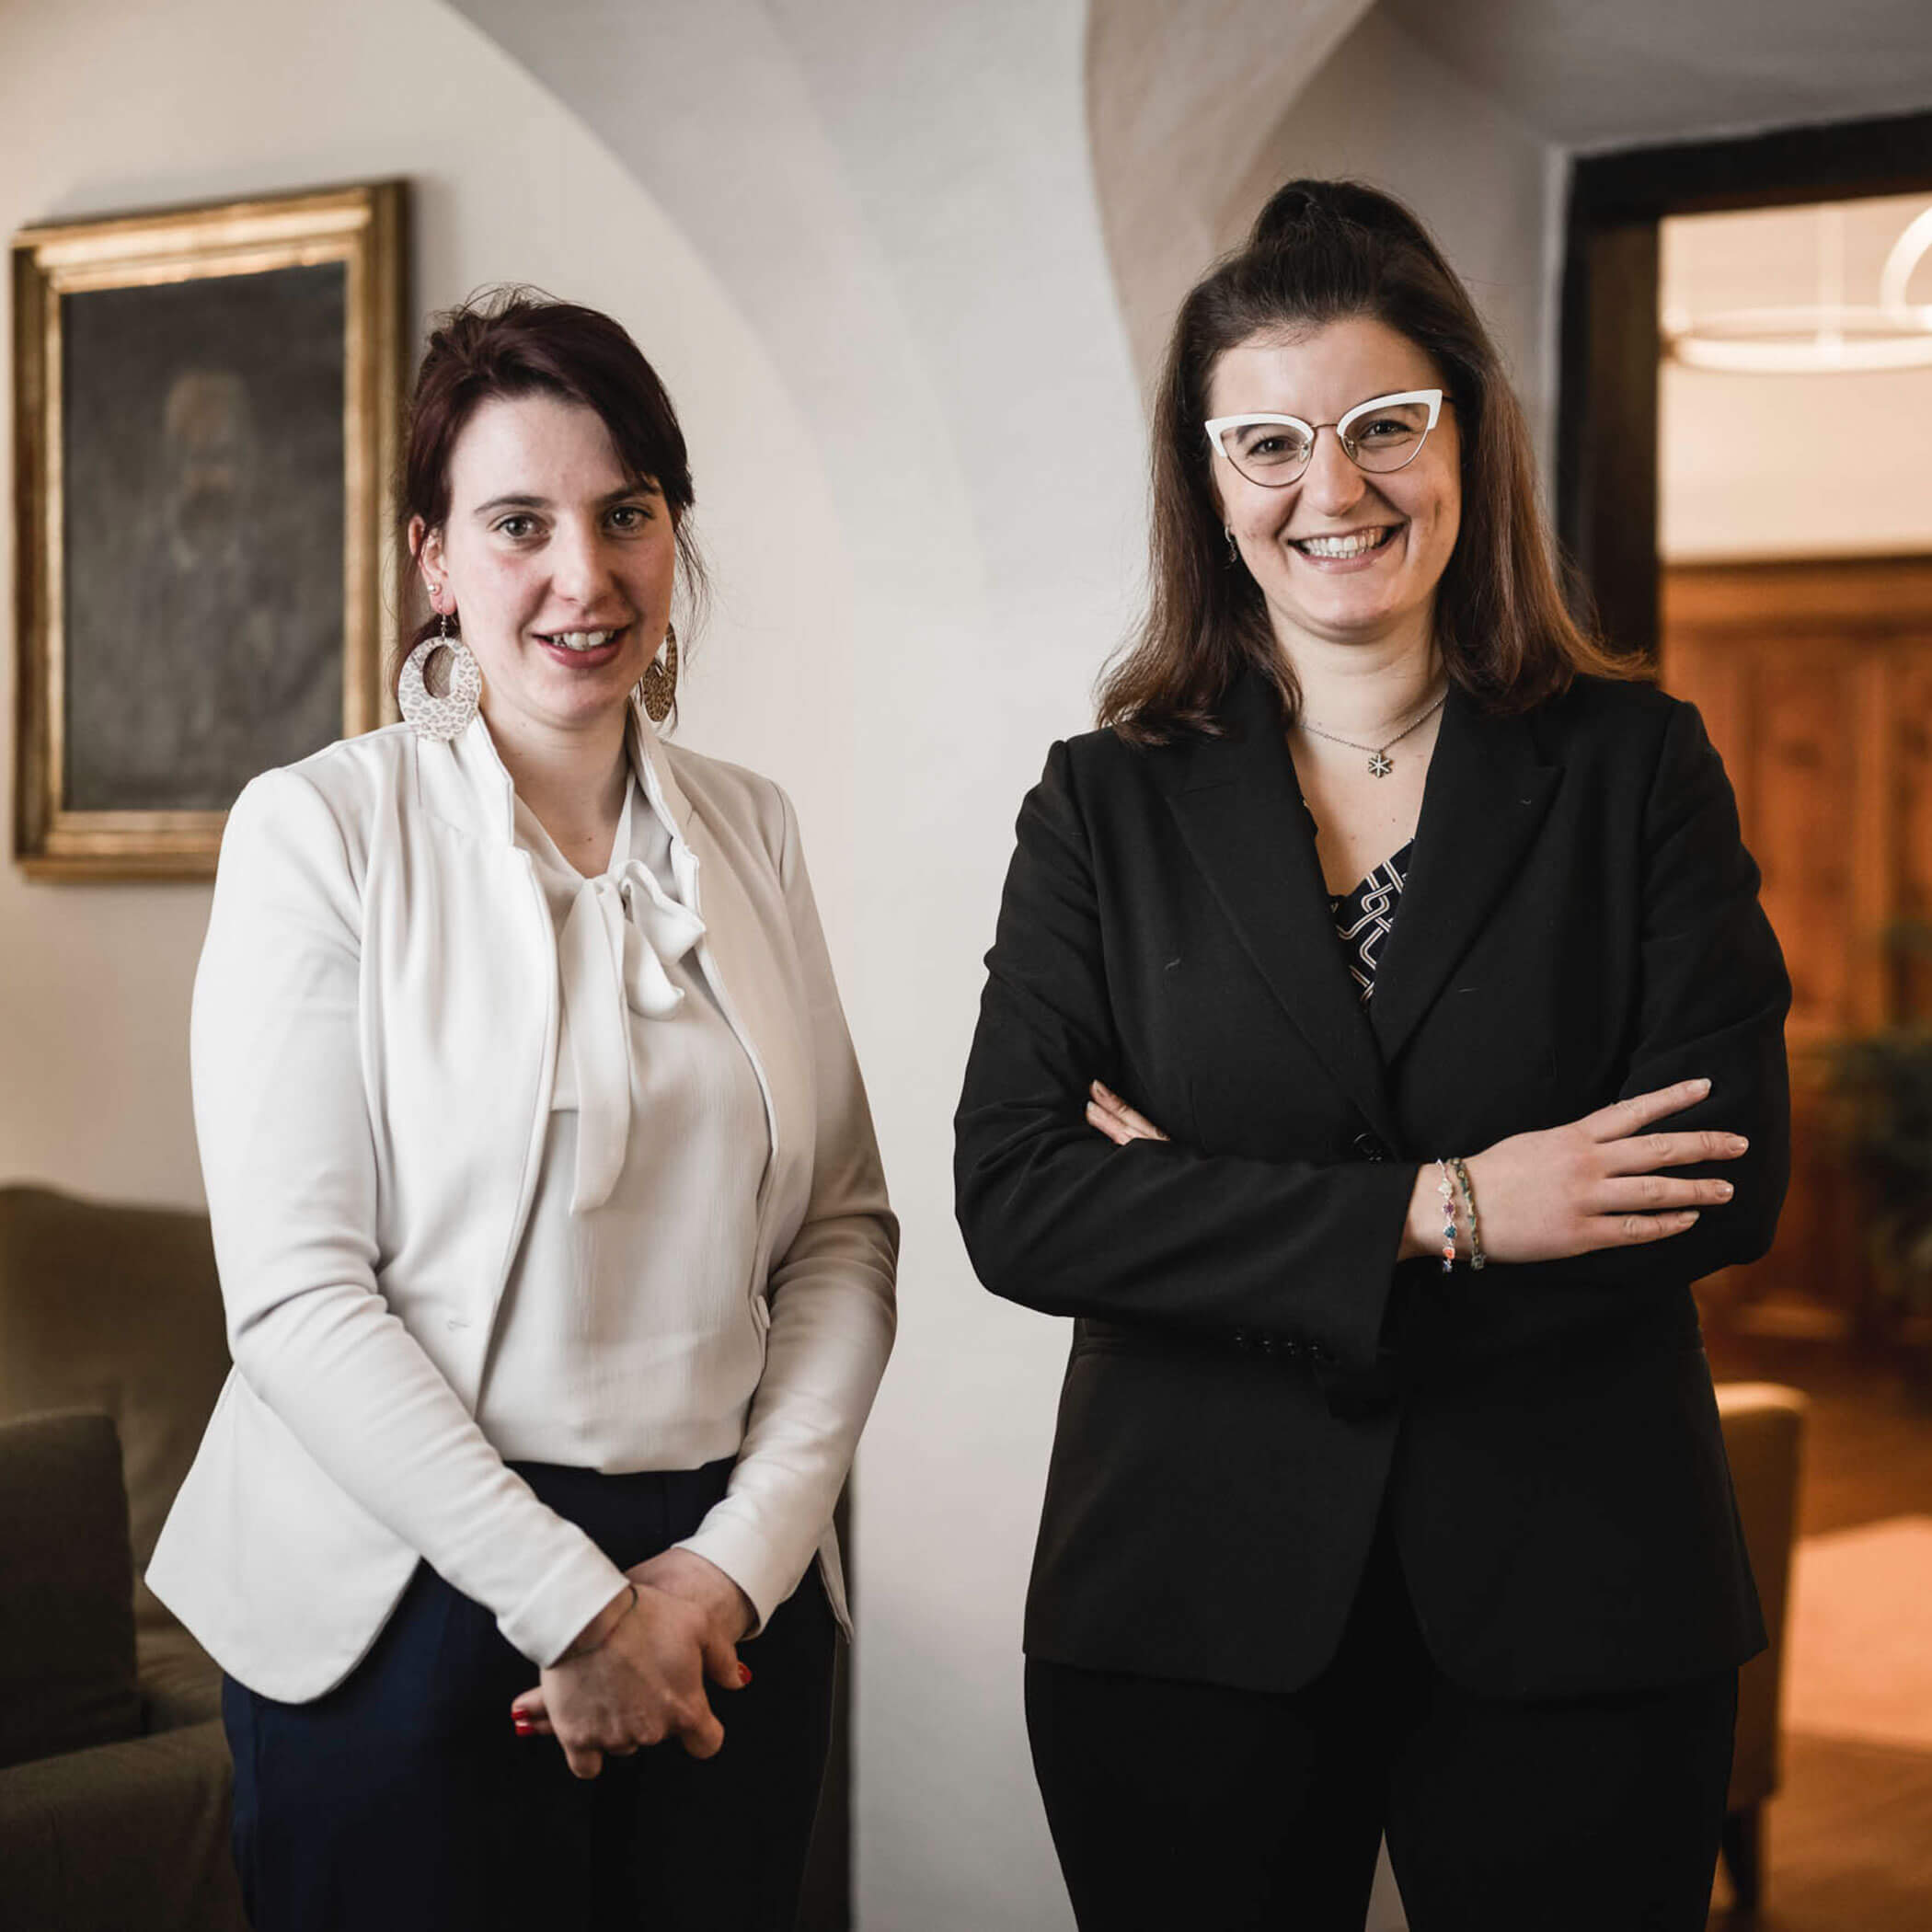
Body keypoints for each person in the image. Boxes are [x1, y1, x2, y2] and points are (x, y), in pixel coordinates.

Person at [954, 180, 1789, 1932]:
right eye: (1268, 443)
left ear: (1465, 440)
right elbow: (1021, 1200)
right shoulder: (1103, 806)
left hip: (1579, 1597)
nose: (1331, 489)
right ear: (1208, 484)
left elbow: (1720, 1178)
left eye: (1383, 426)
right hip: (1185, 1598)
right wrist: (1455, 1208)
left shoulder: (1637, 770)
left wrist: (1195, 1211)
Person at [149, 291, 897, 1932]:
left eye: (628, 514)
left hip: (725, 1604)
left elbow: (844, 1235)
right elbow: (296, 1295)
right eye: (519, 525)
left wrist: (728, 1570)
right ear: (434, 557)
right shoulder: (318, 831)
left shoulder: (754, 831)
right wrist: (577, 1607)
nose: (586, 576)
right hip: (403, 1594)